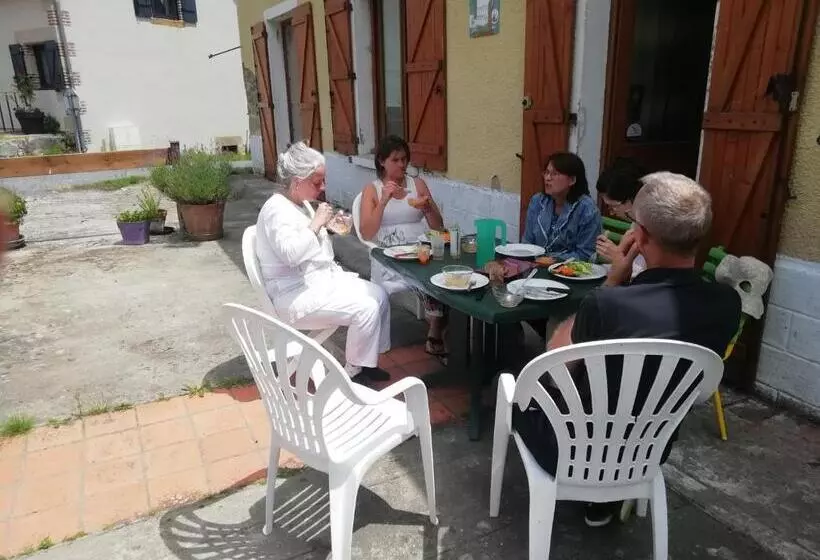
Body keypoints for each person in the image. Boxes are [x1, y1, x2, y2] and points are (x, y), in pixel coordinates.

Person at [513, 172, 742, 528]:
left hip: (573, 450)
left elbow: (552, 367)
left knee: (514, 392)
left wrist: (613, 280)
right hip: (648, 451)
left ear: (641, 236)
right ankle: (605, 501)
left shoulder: (609, 304)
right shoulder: (727, 303)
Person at [255, 142, 390, 382]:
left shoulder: (299, 204)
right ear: (298, 182)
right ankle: (353, 373)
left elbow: (308, 240)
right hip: (293, 296)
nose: (323, 187)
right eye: (317, 182)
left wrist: (326, 226)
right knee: (366, 307)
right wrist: (316, 224)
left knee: (378, 295)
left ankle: (364, 361)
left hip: (318, 282)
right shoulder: (275, 210)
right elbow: (290, 254)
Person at [358, 135, 449, 360]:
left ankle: (435, 331)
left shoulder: (416, 185)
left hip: (419, 253)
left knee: (442, 279)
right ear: (382, 161)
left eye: (404, 159)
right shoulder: (373, 189)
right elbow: (367, 232)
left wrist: (428, 209)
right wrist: (384, 201)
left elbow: (439, 227)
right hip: (388, 258)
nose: (402, 165)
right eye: (396, 160)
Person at [522, 152, 601, 262]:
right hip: (535, 266)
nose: (547, 178)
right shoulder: (538, 201)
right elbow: (527, 242)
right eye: (547, 172)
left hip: (568, 272)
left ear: (572, 180)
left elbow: (585, 254)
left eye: (554, 174)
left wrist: (554, 260)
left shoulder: (587, 210)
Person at [595, 158, 647, 278]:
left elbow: (648, 279)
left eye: (613, 207)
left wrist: (617, 258)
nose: (612, 213)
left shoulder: (657, 228)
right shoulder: (636, 222)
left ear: (633, 198)